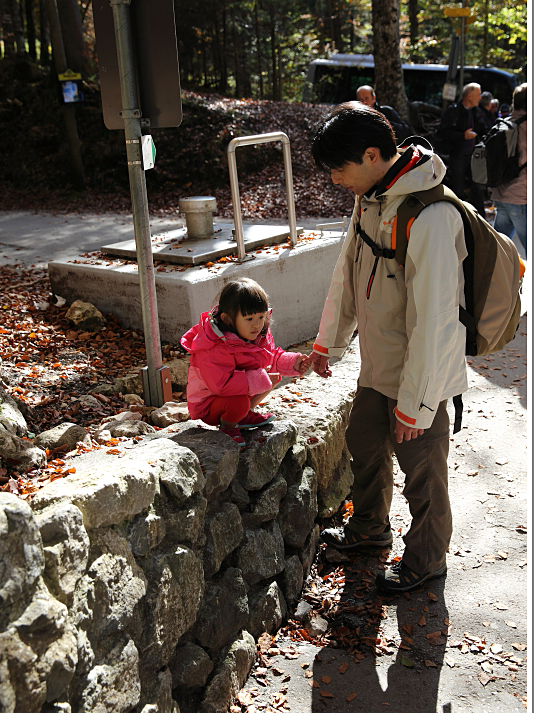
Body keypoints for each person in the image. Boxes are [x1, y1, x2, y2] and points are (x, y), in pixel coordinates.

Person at [309, 101, 468, 593]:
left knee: (423, 478)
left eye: (340, 168)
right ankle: (369, 533)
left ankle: (425, 561)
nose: (335, 179)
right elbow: (348, 273)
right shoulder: (373, 199)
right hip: (377, 368)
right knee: (365, 450)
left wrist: (417, 407)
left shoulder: (432, 216)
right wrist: (328, 342)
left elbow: (437, 323)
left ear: (373, 154)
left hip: (420, 378)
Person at [180, 278, 311, 447]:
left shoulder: (256, 336)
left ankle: (242, 415)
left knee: (272, 378)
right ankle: (229, 426)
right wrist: (260, 379)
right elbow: (222, 384)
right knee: (245, 397)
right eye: (249, 319)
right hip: (210, 404)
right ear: (228, 320)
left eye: (261, 317)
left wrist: (294, 362)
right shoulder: (215, 346)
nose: (257, 324)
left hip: (232, 396)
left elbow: (269, 358)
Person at [437, 82, 487, 216]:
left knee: (477, 188)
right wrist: (462, 136)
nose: (480, 98)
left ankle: (480, 218)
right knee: (458, 188)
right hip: (458, 154)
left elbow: (484, 131)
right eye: (478, 95)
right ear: (470, 96)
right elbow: (443, 132)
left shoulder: (478, 112)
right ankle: (458, 217)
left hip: (474, 156)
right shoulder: (453, 111)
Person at [490, 83, 527, 258]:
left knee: (499, 250)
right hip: (521, 196)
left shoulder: (504, 124)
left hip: (501, 194)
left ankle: (497, 282)